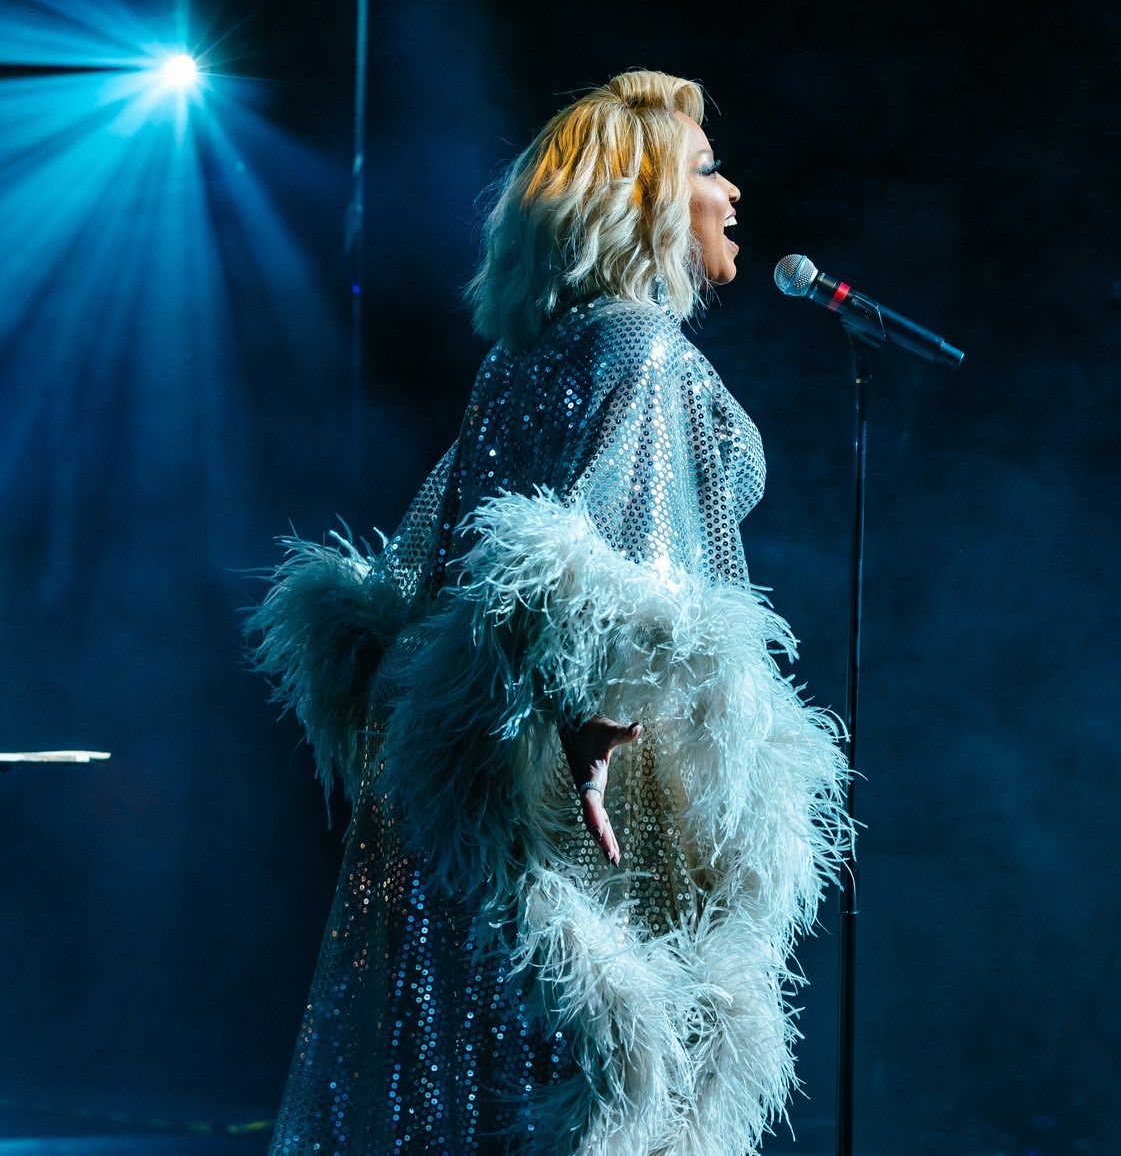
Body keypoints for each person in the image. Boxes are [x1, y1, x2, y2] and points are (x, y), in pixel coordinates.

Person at [245, 69, 852, 1155]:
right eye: (708, 171)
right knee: (594, 1092)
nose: (735, 193)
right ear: (651, 201)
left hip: (516, 789)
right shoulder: (638, 345)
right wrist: (576, 713)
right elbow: (578, 577)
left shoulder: (532, 353)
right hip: (597, 795)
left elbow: (487, 558)